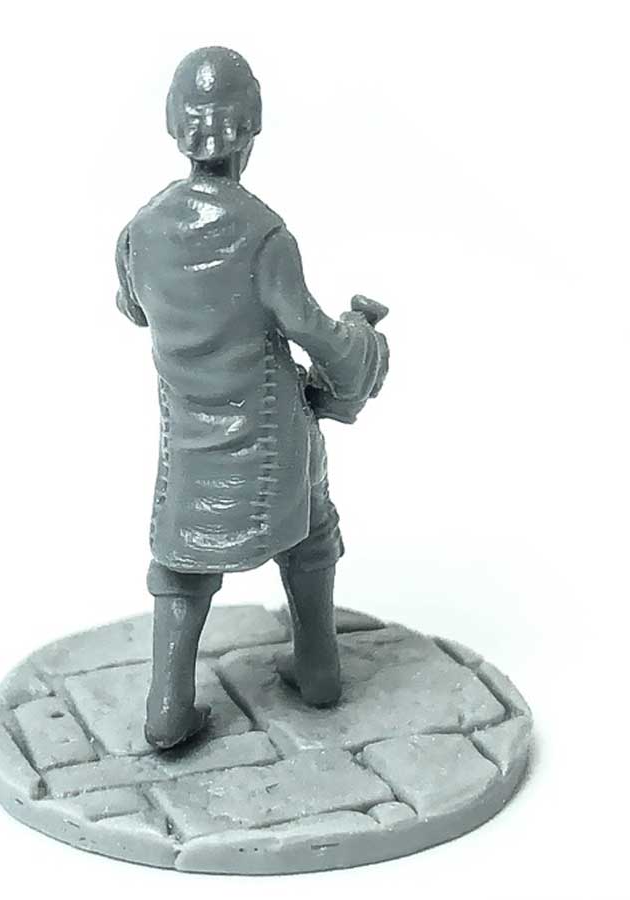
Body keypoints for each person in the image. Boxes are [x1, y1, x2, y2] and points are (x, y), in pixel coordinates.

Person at [115, 47, 389, 749]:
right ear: (252, 127)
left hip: (189, 438)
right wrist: (363, 347)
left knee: (180, 564)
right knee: (310, 529)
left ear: (174, 126)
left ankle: (168, 708)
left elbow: (134, 308)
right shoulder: (265, 234)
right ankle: (318, 669)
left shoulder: (139, 231)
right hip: (271, 434)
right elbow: (313, 331)